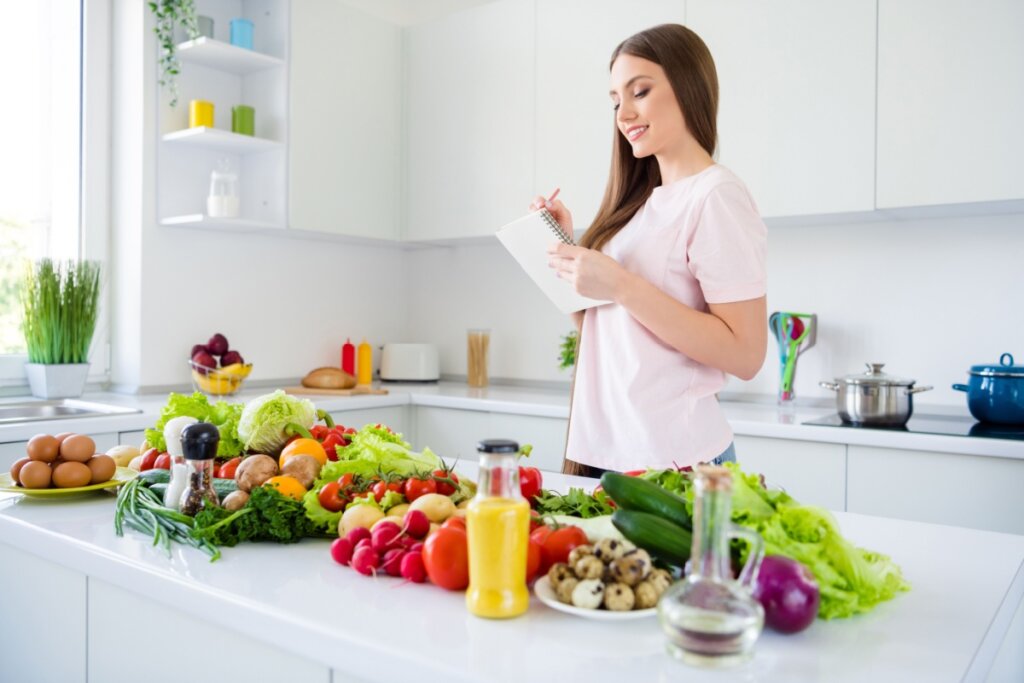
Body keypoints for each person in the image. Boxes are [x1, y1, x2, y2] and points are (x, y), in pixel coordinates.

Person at [530, 24, 767, 478]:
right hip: (611, 454)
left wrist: (620, 284)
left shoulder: (715, 195)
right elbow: (603, 329)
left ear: (688, 86)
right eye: (616, 100)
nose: (624, 114)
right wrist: (567, 254)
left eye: (639, 91)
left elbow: (746, 353)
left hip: (678, 463)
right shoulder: (638, 207)